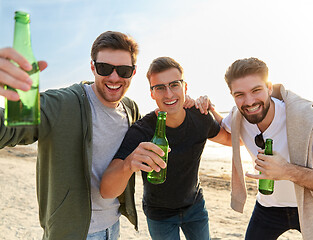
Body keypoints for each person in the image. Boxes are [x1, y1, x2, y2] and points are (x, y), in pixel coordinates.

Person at [195, 57, 313, 240]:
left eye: (256, 90)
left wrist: (288, 171)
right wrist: (207, 109)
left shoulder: (309, 122)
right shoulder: (239, 116)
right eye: (239, 94)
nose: (249, 102)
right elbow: (227, 133)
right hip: (268, 206)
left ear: (269, 87)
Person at [0, 31, 142, 240]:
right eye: (104, 68)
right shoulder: (60, 104)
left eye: (123, 70)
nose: (114, 77)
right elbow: (6, 131)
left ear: (133, 72)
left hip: (113, 227)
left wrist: (188, 106)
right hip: (72, 233)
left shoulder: (131, 109)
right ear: (93, 67)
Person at [100, 56, 232, 240]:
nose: (168, 94)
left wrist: (212, 110)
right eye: (160, 88)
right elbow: (106, 189)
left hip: (195, 206)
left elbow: (234, 140)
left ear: (184, 87)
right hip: (159, 214)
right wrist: (129, 164)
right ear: (152, 93)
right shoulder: (142, 130)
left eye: (174, 85)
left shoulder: (200, 118)